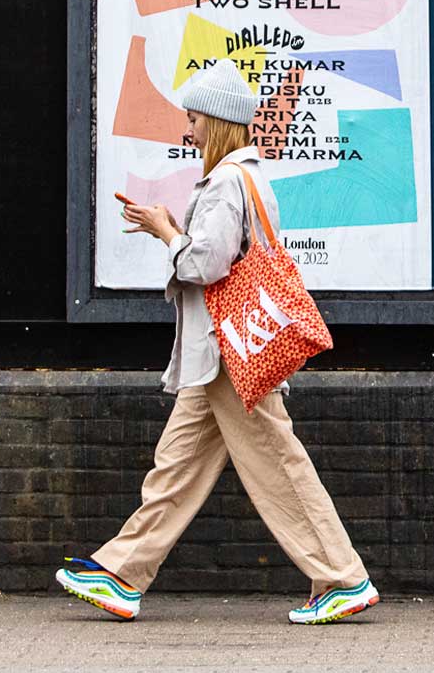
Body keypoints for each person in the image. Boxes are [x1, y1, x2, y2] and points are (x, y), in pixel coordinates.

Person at [55, 58, 376, 624]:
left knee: (277, 462)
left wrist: (167, 231)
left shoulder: (228, 180)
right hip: (221, 352)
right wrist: (170, 227)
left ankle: (342, 578)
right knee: (175, 466)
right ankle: (124, 575)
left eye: (196, 117)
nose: (190, 127)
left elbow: (206, 261)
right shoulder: (242, 178)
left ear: (219, 121)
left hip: (231, 352)